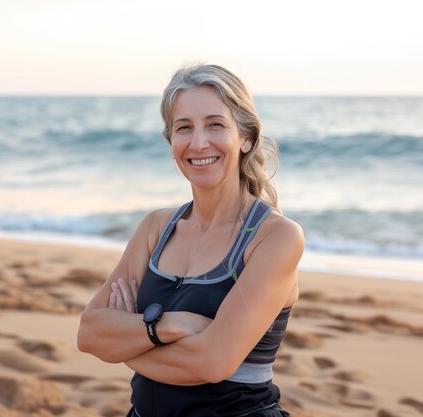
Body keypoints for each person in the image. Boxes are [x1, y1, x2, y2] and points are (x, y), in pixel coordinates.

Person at [77, 64, 304, 417]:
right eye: (184, 128)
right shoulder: (156, 227)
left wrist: (125, 342)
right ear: (172, 142)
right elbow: (90, 334)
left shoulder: (275, 237)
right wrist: (169, 325)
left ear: (245, 137)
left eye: (215, 124)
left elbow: (213, 363)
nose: (198, 143)